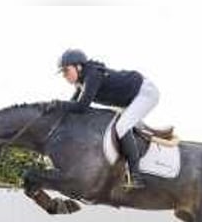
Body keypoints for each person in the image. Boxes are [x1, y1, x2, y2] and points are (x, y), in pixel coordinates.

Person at [55, 48, 160, 188]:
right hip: (130, 100)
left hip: (145, 92)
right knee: (120, 125)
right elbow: (73, 107)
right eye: (62, 72)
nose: (64, 75)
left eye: (66, 70)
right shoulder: (81, 82)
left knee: (121, 127)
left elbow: (82, 106)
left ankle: (136, 176)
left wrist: (55, 104)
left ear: (78, 66)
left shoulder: (92, 75)